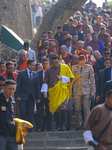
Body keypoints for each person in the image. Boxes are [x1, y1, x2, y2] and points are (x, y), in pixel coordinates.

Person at [41, 55, 74, 131]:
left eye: (57, 62)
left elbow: (71, 78)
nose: (55, 64)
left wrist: (62, 78)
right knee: (55, 109)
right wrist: (45, 92)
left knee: (63, 108)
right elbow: (45, 81)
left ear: (59, 60)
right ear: (51, 62)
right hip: (53, 92)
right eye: (54, 62)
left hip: (62, 90)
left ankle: (63, 126)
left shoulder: (65, 67)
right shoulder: (48, 70)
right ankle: (58, 126)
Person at [16, 59, 41, 132]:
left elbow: (37, 87)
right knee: (22, 110)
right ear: (29, 65)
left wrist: (38, 97)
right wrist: (17, 95)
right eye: (33, 65)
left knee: (31, 112)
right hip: (23, 95)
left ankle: (30, 128)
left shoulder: (36, 74)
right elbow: (18, 85)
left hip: (32, 96)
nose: (34, 66)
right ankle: (23, 126)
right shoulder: (21, 73)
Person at [72, 55, 96, 130]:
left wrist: (93, 91)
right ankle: (78, 125)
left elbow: (92, 80)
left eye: (84, 60)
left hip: (86, 90)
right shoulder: (74, 68)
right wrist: (71, 92)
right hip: (77, 90)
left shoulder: (89, 67)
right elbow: (71, 80)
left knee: (86, 109)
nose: (83, 61)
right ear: (78, 61)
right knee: (77, 109)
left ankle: (86, 126)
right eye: (81, 60)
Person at [0, 79, 25, 150]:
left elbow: (13, 117)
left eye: (13, 89)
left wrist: (20, 125)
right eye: (9, 89)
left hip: (12, 134)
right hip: (1, 134)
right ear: (4, 88)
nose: (11, 91)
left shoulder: (12, 101)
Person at [37, 58, 52, 132]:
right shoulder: (38, 73)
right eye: (44, 63)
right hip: (40, 95)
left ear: (49, 64)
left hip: (49, 95)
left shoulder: (52, 73)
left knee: (49, 111)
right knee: (40, 111)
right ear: (42, 64)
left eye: (47, 63)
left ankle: (49, 127)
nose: (45, 65)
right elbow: (37, 85)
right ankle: (40, 126)